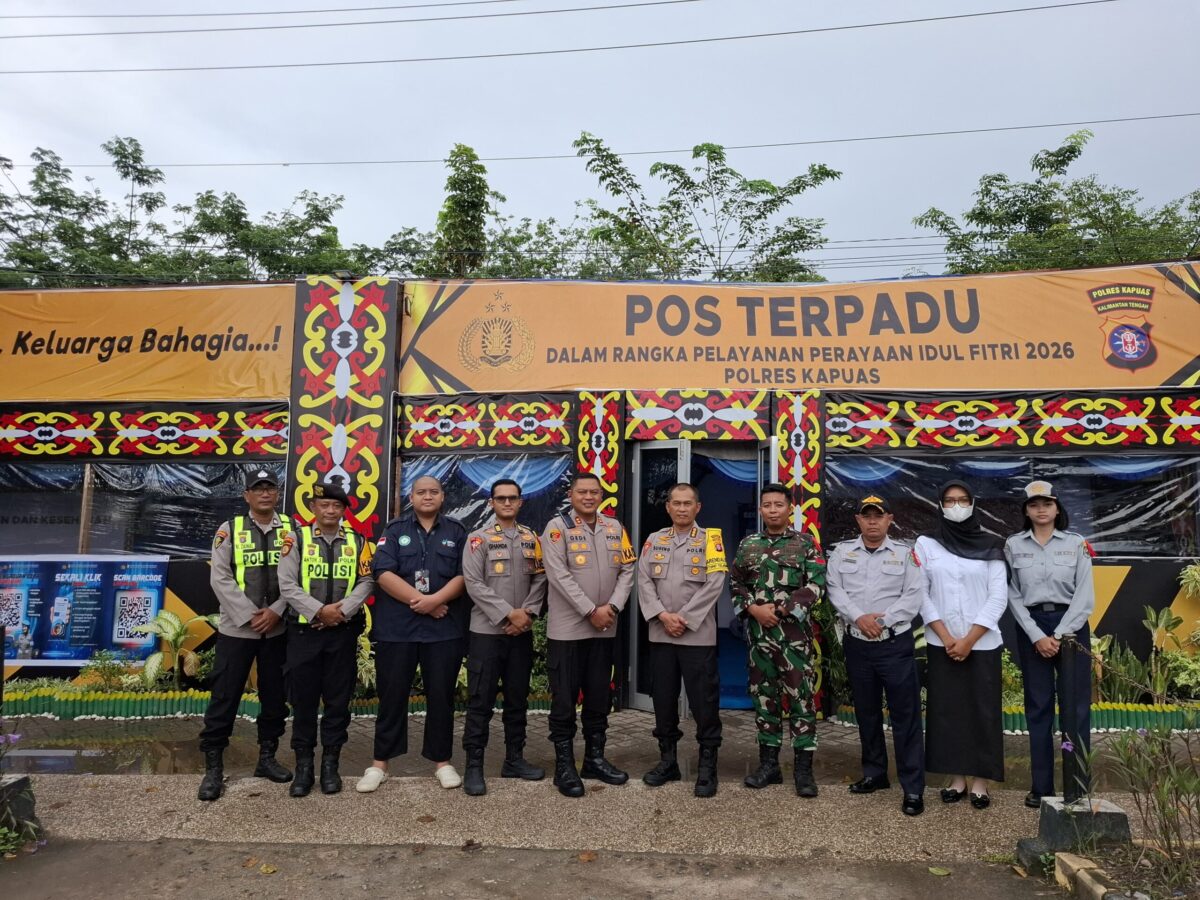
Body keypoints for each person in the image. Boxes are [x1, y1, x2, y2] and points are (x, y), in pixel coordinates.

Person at [357, 475, 468, 793]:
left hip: (443, 630)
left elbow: (465, 575)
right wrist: (423, 602)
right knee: (391, 697)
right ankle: (380, 764)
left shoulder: (456, 531)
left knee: (441, 697)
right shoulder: (394, 530)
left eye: (433, 492)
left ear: (442, 496)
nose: (427, 496)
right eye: (421, 492)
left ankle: (442, 762)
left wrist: (436, 601)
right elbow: (382, 573)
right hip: (398, 629)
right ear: (411, 497)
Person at [826, 495, 927, 817]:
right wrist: (859, 618)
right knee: (867, 712)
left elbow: (914, 595)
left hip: (893, 644)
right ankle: (875, 774)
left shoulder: (905, 554)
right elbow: (834, 589)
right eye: (866, 516)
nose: (872, 521)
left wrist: (881, 621)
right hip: (857, 644)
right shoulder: (842, 553)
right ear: (858, 520)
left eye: (878, 516)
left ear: (889, 519)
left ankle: (913, 787)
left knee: (905, 717)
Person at [197, 468, 294, 801]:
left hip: (277, 629)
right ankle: (213, 769)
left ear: (277, 494)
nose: (265, 493)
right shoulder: (230, 529)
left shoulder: (292, 530)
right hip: (237, 630)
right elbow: (220, 577)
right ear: (246, 495)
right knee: (224, 697)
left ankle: (267, 759)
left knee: (274, 697)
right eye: (258, 488)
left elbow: (298, 575)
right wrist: (249, 615)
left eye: (270, 488)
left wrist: (277, 610)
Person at [541, 472, 636, 797]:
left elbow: (627, 569)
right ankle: (564, 766)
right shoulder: (557, 528)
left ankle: (594, 759)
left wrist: (612, 607)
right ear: (571, 494)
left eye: (594, 492)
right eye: (582, 492)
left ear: (601, 495)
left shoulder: (615, 527)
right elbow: (557, 575)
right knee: (564, 700)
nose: (588, 497)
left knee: (598, 698)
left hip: (605, 628)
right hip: (568, 631)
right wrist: (590, 610)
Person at [277, 480, 375, 797]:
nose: (330, 510)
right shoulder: (296, 538)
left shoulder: (358, 541)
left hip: (341, 634)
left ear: (343, 510)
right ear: (313, 507)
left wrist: (340, 612)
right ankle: (304, 767)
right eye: (324, 505)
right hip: (304, 633)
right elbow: (287, 585)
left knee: (338, 702)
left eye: (336, 506)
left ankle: (331, 765)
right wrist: (319, 611)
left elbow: (366, 581)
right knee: (304, 702)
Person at [915, 480, 1008, 810]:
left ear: (973, 503)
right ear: (940, 505)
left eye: (963, 500)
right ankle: (956, 779)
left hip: (982, 642)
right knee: (948, 712)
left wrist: (968, 640)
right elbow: (921, 593)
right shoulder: (926, 543)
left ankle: (981, 781)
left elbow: (998, 596)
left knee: (983, 711)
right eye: (950, 500)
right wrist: (947, 638)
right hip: (941, 642)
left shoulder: (992, 544)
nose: (956, 506)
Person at [731, 483, 826, 798]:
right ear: (760, 509)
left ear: (790, 508)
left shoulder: (805, 543)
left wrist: (784, 608)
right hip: (760, 638)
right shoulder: (748, 545)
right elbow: (736, 583)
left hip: (794, 639)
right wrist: (753, 610)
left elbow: (817, 583)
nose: (773, 510)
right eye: (767, 505)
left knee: (801, 701)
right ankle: (769, 766)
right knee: (764, 700)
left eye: (778, 505)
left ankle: (803, 771)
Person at [1005, 480, 1095, 809]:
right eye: (1034, 505)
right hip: (1032, 628)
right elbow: (1012, 594)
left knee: (1076, 709)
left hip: (1071, 629)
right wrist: (1036, 635)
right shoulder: (1013, 545)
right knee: (1038, 708)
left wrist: (1058, 635)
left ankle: (1078, 785)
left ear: (1057, 509)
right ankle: (1040, 787)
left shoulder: (1076, 544)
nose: (1041, 509)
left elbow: (1084, 596)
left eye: (1047, 504)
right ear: (1026, 511)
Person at [636, 483, 726, 798]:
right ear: (668, 507)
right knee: (663, 700)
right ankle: (668, 762)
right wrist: (663, 615)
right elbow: (643, 579)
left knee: (704, 703)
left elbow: (715, 583)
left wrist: (683, 618)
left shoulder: (711, 539)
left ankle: (707, 767)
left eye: (688, 503)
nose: (682, 508)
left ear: (698, 507)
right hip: (661, 633)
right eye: (677, 503)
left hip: (697, 635)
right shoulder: (654, 539)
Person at [460, 478, 548, 796]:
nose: (507, 503)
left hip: (520, 634)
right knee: (480, 701)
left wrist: (527, 614)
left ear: (521, 502)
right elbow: (473, 583)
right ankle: (473, 766)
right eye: (501, 498)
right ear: (492, 503)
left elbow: (541, 579)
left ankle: (514, 760)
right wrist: (508, 614)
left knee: (517, 699)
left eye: (512, 498)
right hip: (487, 633)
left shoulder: (532, 539)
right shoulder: (478, 539)